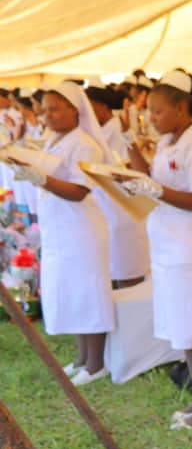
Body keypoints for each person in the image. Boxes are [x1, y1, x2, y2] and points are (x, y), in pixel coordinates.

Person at [124, 70, 192, 429]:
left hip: (190, 249)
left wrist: (156, 191)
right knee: (185, 326)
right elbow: (153, 181)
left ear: (182, 108)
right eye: (150, 111)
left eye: (158, 110)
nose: (152, 118)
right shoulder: (169, 142)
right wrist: (130, 152)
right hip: (168, 246)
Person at [12, 82, 114, 385]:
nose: (48, 115)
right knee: (71, 293)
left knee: (87, 293)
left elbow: (79, 191)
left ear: (74, 109)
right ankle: (83, 358)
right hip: (61, 229)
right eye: (46, 109)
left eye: (55, 108)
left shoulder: (85, 144)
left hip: (81, 228)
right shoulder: (55, 140)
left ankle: (96, 363)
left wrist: (40, 177)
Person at [84, 78, 150, 288]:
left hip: (122, 206)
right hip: (106, 207)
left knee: (127, 270)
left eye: (89, 106)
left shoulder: (117, 130)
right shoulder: (99, 131)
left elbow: (131, 167)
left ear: (101, 107)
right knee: (112, 268)